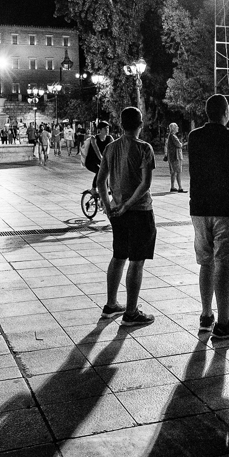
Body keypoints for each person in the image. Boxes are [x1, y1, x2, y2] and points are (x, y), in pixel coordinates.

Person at [188, 94, 229, 340]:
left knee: (206, 262)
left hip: (200, 207)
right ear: (226, 112)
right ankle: (224, 322)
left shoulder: (194, 137)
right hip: (227, 206)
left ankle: (206, 316)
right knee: (223, 264)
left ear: (206, 113)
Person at [97, 107, 156, 326]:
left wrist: (108, 205)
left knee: (119, 255)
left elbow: (100, 181)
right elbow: (145, 184)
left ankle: (111, 304)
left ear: (121, 125)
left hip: (117, 211)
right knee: (137, 261)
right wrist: (128, 205)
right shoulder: (144, 148)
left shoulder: (111, 148)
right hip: (139, 211)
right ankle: (131, 312)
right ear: (141, 123)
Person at [83, 120, 113, 194]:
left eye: (108, 128)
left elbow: (115, 148)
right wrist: (103, 159)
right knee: (100, 171)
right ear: (99, 130)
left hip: (100, 161)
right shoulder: (94, 139)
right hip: (91, 161)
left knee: (106, 173)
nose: (107, 130)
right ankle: (93, 188)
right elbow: (97, 152)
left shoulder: (109, 138)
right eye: (105, 128)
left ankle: (104, 190)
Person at [165, 123, 185, 193]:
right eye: (176, 126)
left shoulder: (170, 136)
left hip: (172, 157)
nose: (178, 128)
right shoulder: (173, 136)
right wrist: (182, 144)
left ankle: (172, 186)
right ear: (173, 128)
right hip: (176, 156)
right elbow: (179, 145)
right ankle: (180, 187)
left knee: (173, 172)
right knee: (178, 172)